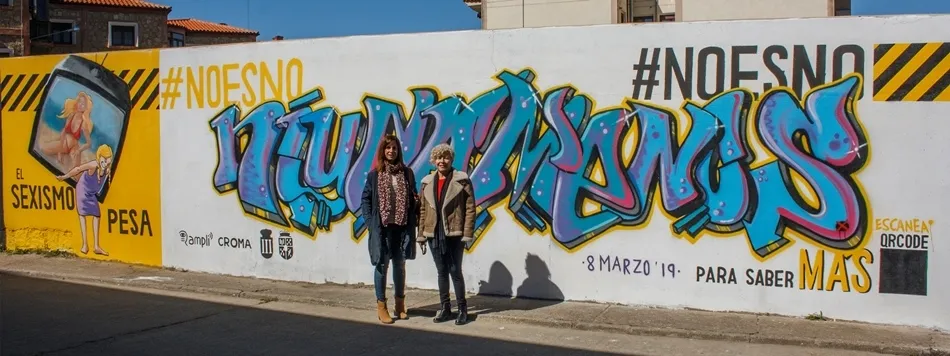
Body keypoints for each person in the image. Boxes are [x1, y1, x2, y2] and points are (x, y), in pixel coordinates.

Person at [360, 135, 419, 324]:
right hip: (382, 228)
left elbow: (413, 197)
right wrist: (370, 222)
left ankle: (400, 305)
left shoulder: (407, 173)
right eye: (388, 148)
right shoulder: (375, 175)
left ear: (398, 151)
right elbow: (366, 199)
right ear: (382, 151)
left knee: (400, 266)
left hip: (401, 228)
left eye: (394, 148)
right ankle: (381, 306)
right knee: (381, 265)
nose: (391, 151)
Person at [417, 143, 475, 325]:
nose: (442, 161)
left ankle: (463, 309)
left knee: (455, 271)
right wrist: (421, 234)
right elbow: (423, 210)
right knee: (441, 271)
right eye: (438, 157)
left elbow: (470, 208)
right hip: (434, 233)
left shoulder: (462, 180)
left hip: (454, 233)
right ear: (433, 160)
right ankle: (445, 308)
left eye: (446, 157)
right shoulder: (427, 182)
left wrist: (467, 233)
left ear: (451, 159)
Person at [56, 144, 113, 256]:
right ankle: (84, 245)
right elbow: (78, 169)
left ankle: (96, 246)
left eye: (108, 160)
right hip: (82, 190)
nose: (105, 162)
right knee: (82, 215)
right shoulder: (93, 165)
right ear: (99, 157)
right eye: (104, 159)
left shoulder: (106, 170)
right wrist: (64, 177)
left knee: (97, 215)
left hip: (91, 194)